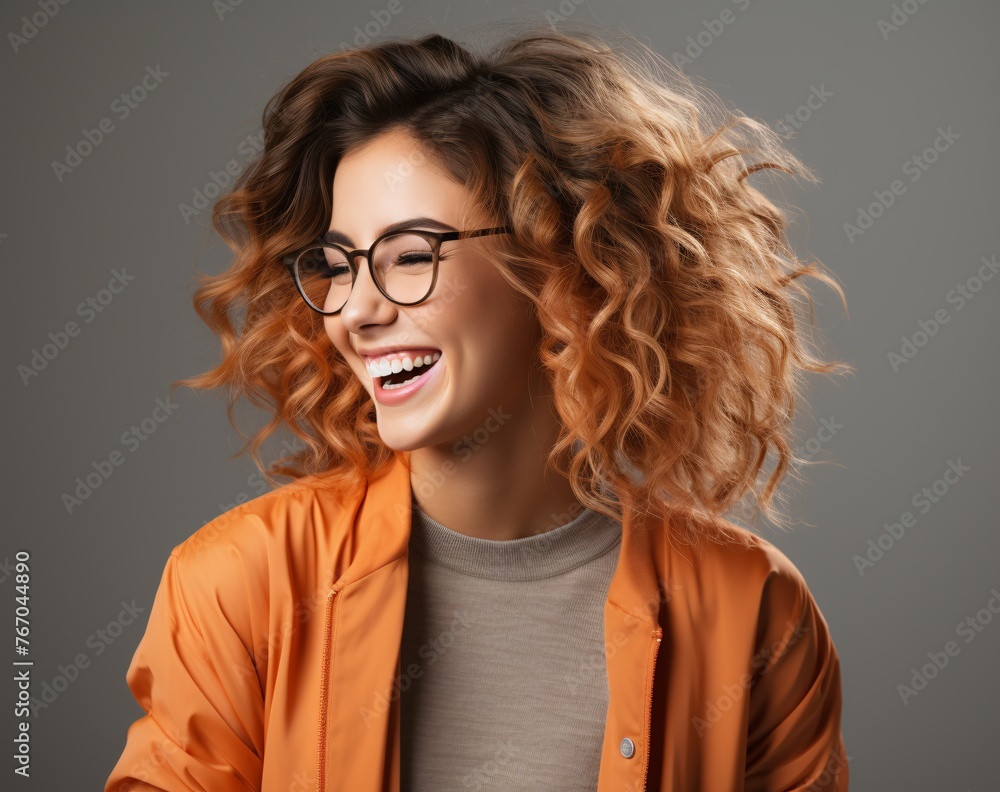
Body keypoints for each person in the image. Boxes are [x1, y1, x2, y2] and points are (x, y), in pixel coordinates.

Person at [105, 23, 852, 792]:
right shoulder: (238, 587)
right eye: (336, 264)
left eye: (411, 255)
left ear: (565, 268)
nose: (354, 311)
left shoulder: (755, 613)